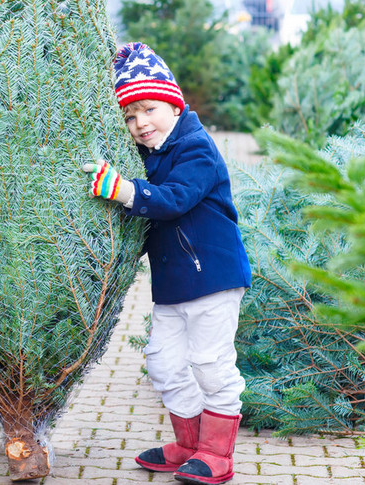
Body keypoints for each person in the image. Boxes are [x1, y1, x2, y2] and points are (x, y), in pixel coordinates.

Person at [83, 42, 251, 485]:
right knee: (162, 362)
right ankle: (189, 444)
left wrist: (125, 191)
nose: (140, 124)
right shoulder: (151, 156)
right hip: (174, 284)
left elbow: (176, 199)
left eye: (149, 109)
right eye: (130, 117)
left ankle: (218, 453)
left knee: (211, 362)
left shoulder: (196, 148)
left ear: (173, 103)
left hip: (213, 278)